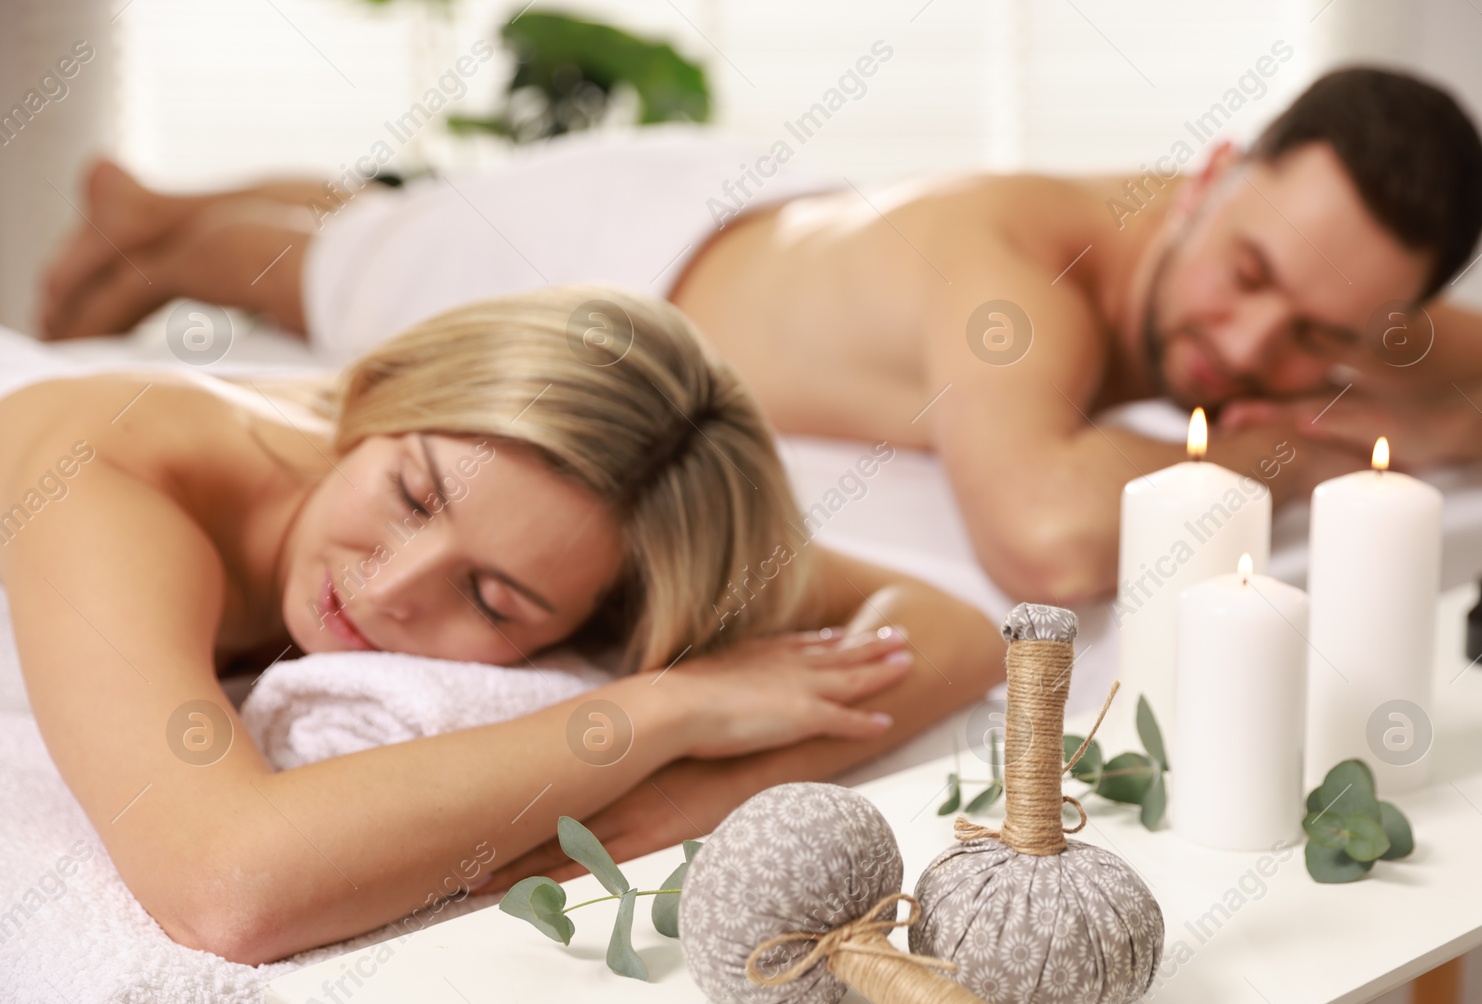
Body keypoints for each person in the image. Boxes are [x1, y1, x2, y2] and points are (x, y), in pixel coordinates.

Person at [36, 67, 1482, 606]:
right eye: (1247, 270)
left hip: (780, 223)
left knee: (378, 214)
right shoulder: (1022, 255)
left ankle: (151, 204)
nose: (1251, 333)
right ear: (1208, 178)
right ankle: (152, 229)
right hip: (614, 270)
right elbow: (1049, 538)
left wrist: (1448, 421)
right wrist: (1308, 444)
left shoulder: (1319, 275)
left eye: (1322, 328)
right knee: (352, 253)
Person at [0, 285, 1005, 964]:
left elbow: (952, 630)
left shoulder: (603, 523)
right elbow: (225, 887)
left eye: (494, 598)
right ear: (382, 394)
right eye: (411, 492)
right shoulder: (105, 473)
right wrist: (664, 710)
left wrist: (710, 789)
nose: (394, 585)